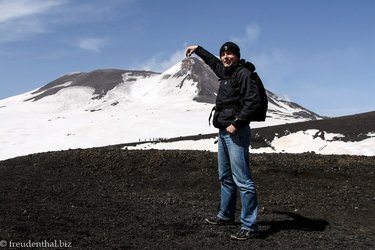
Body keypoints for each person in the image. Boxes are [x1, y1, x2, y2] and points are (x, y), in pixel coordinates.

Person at [185, 42, 260, 241]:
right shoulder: (226, 72)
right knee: (225, 176)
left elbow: (253, 101)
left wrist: (237, 123)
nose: (225, 57)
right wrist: (198, 49)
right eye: (223, 54)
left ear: (237, 56)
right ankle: (225, 216)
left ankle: (250, 226)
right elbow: (212, 62)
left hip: (236, 132)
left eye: (229, 54)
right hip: (223, 132)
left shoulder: (243, 73)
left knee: (243, 180)